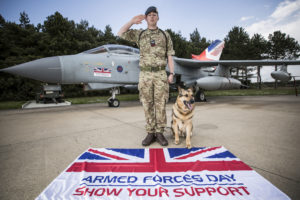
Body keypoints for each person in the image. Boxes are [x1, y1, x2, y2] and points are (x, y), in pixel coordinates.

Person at [118, 6, 175, 146]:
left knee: (161, 104)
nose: (152, 16)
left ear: (158, 17)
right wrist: (131, 21)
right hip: (145, 74)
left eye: (154, 14)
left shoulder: (165, 35)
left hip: (161, 73)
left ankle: (160, 133)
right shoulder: (140, 34)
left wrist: (172, 73)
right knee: (147, 103)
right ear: (146, 18)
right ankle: (150, 133)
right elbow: (120, 33)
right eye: (149, 15)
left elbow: (170, 55)